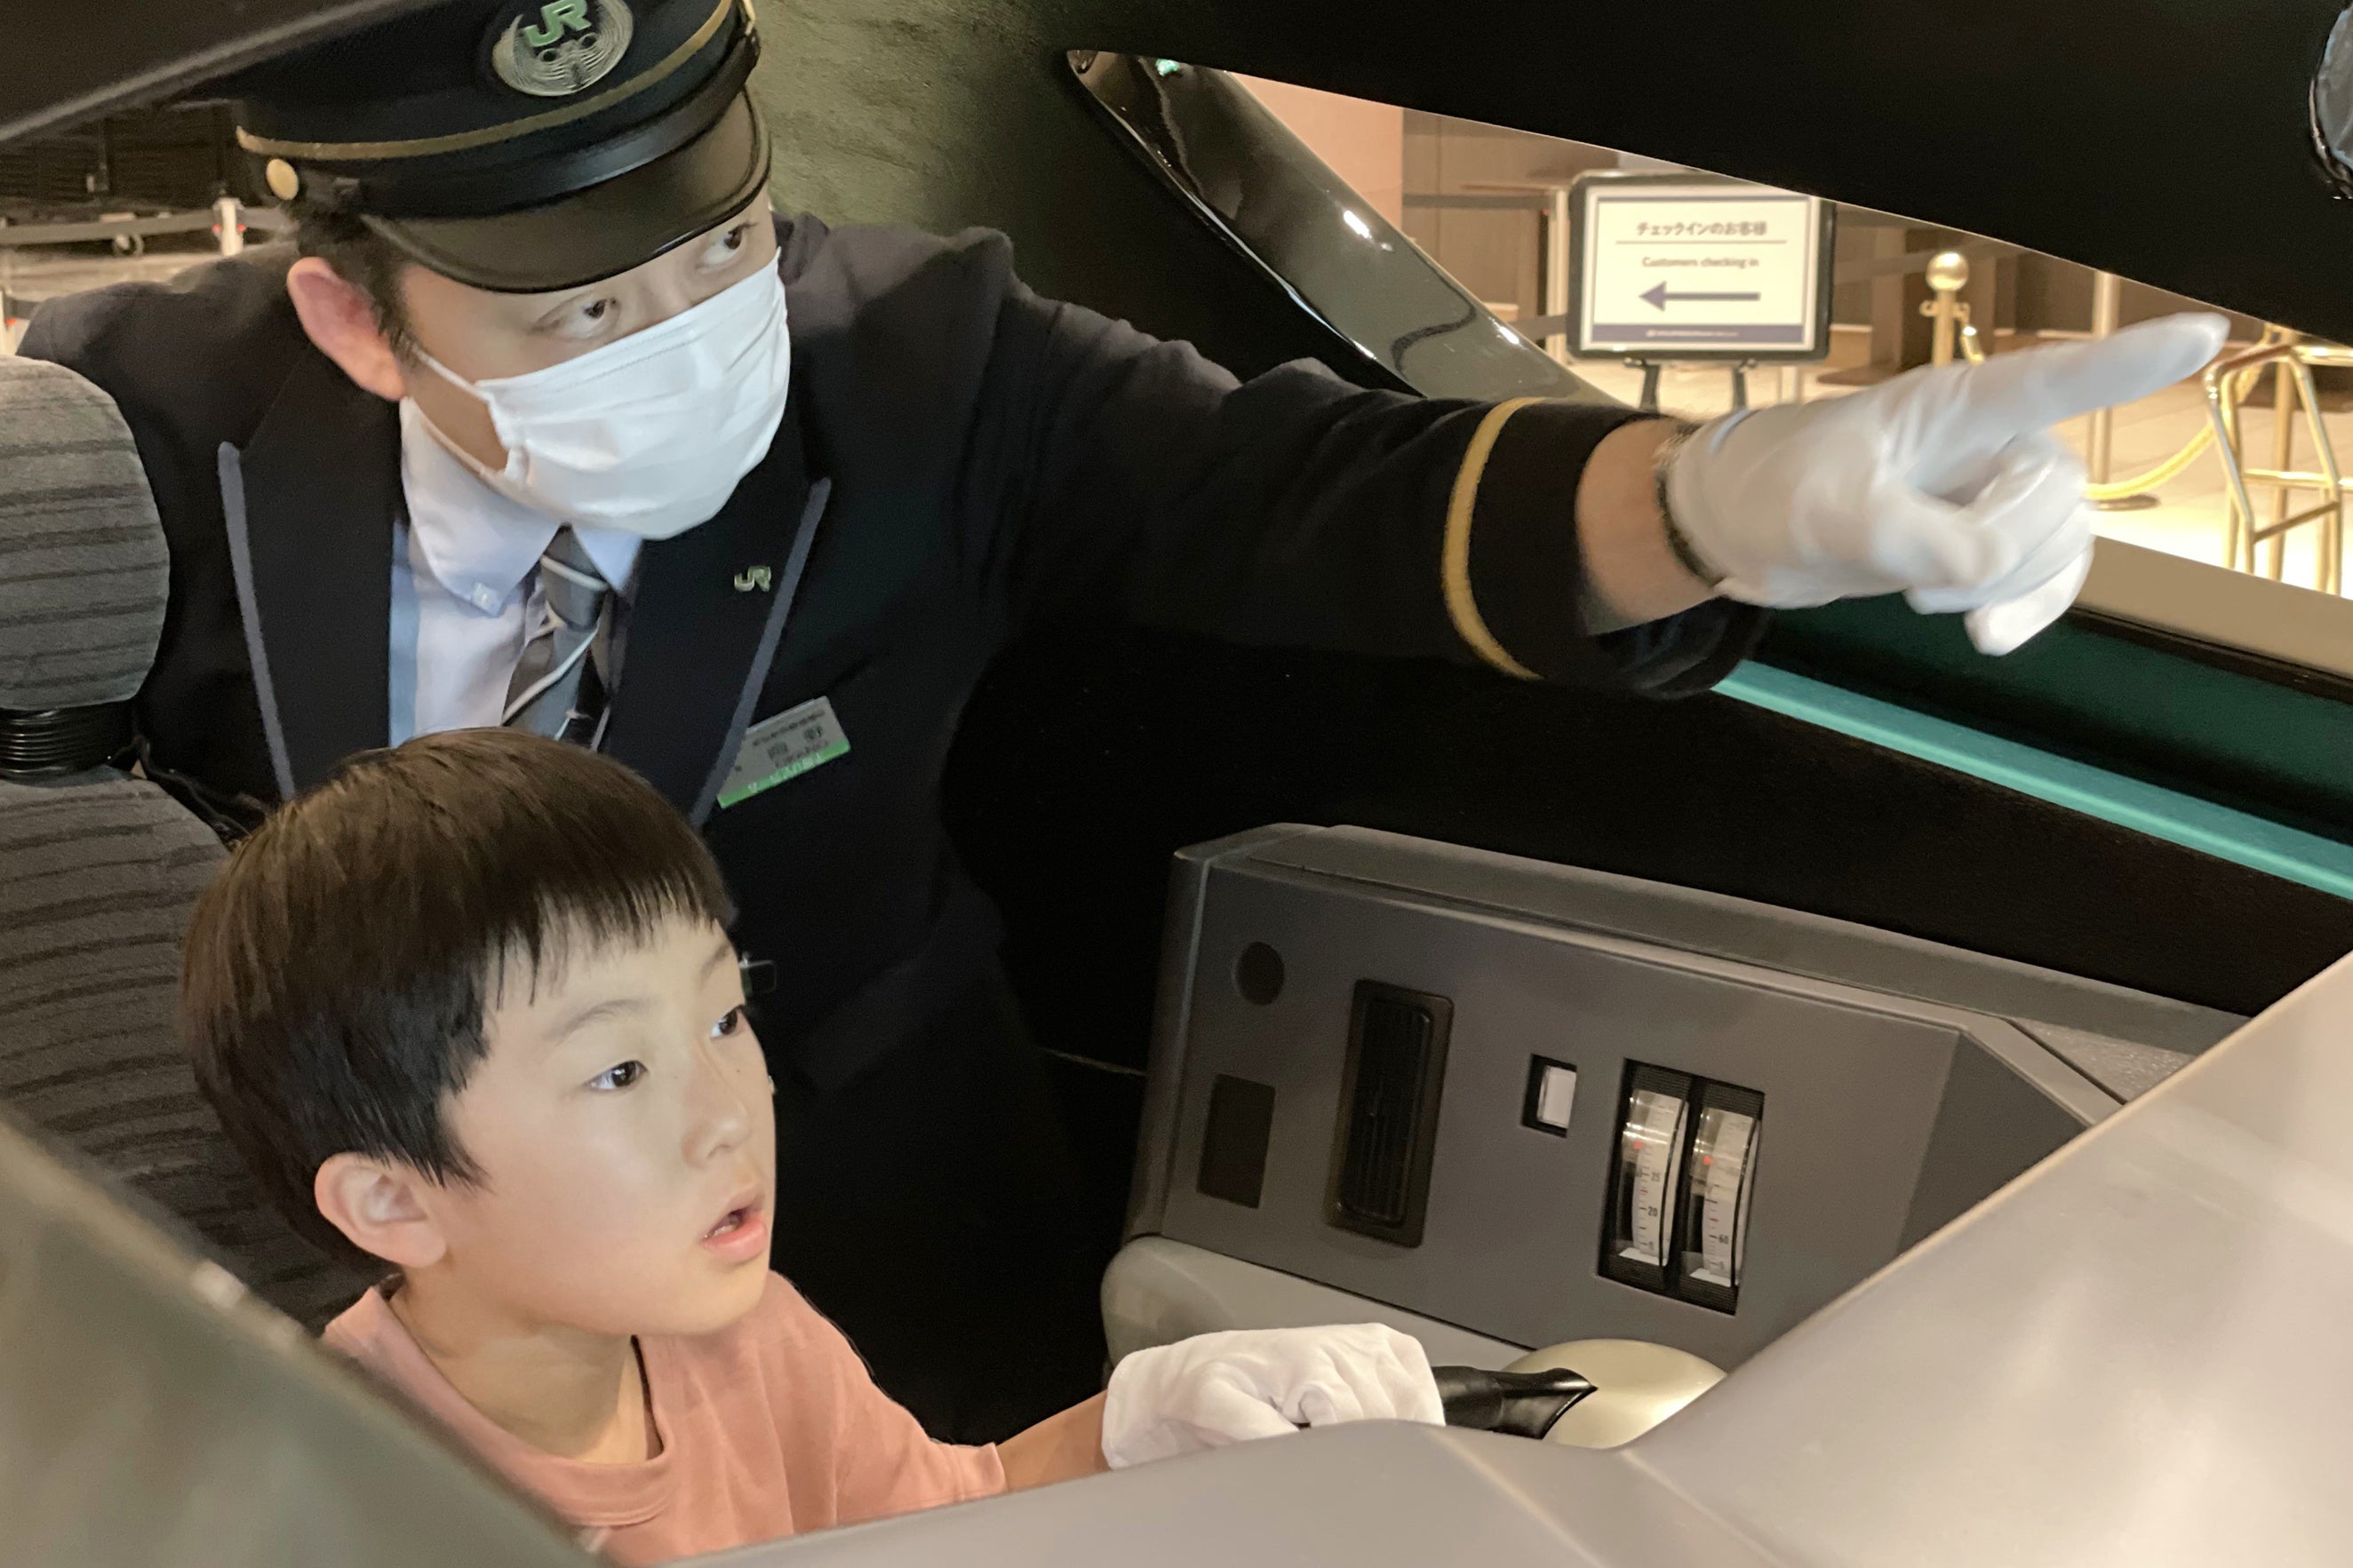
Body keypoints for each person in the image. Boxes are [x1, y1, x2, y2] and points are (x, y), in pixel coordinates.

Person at [25, 0, 2225, 1439]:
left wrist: (1715, 502)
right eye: (583, 306)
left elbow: (1312, 492)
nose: (686, 335)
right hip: (363, 1284)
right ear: (354, 315)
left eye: (715, 250)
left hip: (863, 1222)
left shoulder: (916, 365)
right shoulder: (134, 430)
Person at [177, 728, 1448, 1564]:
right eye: (618, 1071)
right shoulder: (322, 1494)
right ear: (394, 1202)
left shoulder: (746, 1339)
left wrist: (1140, 1424)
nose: (733, 1109)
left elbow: (938, 1520)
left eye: (725, 1016)